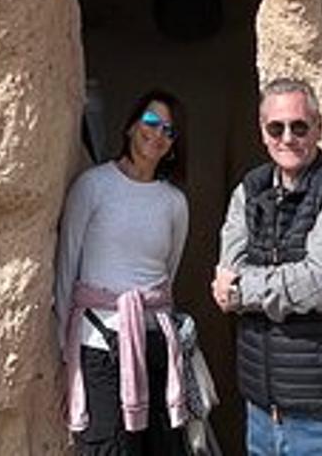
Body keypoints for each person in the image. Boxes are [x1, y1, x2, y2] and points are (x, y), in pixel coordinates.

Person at [212, 78, 322, 456]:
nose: (287, 138)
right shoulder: (249, 191)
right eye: (277, 128)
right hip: (263, 415)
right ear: (263, 131)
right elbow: (228, 269)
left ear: (318, 128)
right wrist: (298, 286)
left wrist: (243, 291)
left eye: (299, 127)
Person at [56, 89, 193, 455]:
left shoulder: (174, 203)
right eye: (151, 121)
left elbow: (168, 274)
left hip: (155, 344)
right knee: (108, 447)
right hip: (99, 344)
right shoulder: (93, 186)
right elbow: (67, 268)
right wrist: (62, 350)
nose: (157, 133)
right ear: (131, 126)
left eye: (169, 130)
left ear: (174, 145)